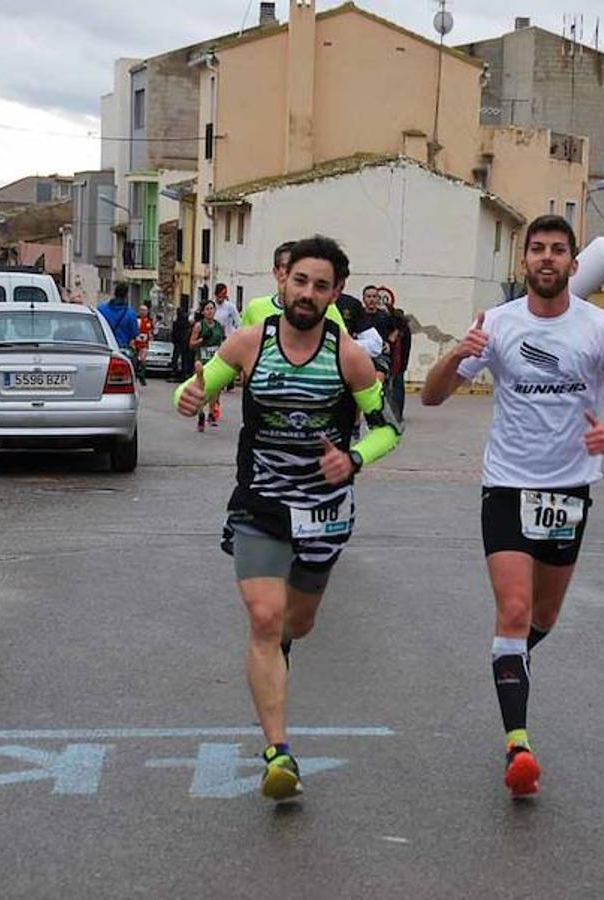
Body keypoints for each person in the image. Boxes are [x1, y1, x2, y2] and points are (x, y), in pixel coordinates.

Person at [421, 214, 604, 798]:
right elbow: (432, 395)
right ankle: (518, 746)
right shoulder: (496, 325)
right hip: (506, 485)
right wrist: (457, 354)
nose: (547, 259)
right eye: (537, 250)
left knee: (542, 619)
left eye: (558, 251)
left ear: (573, 264)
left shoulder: (599, 329)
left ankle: (508, 663)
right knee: (515, 609)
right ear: (523, 262)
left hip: (569, 491)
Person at [173, 235, 402, 801]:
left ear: (336, 293)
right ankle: (278, 752)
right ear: (282, 282)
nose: (307, 293)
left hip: (323, 511)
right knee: (264, 617)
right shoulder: (251, 340)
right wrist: (190, 394)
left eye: (321, 285)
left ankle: (280, 658)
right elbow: (201, 384)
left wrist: (351, 459)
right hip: (261, 503)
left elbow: (389, 430)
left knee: (296, 625)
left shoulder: (347, 355)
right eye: (299, 281)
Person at [241, 243, 347, 333]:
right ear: (276, 272)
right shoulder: (255, 308)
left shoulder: (326, 308)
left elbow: (344, 345)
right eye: (286, 266)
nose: (290, 271)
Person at [189, 300, 225, 431]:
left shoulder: (219, 326)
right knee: (201, 391)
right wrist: (202, 339)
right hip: (201, 362)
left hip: (214, 361)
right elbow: (191, 344)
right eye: (207, 309)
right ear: (203, 312)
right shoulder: (199, 326)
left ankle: (211, 414)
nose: (210, 311)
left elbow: (221, 344)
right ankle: (201, 415)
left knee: (215, 389)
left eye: (212, 309)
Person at [98, 283, 138, 353]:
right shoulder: (130, 313)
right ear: (126, 295)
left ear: (114, 293)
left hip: (104, 348)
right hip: (122, 350)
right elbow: (134, 334)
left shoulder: (101, 310)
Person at [133, 304, 153, 386]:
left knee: (143, 360)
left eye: (145, 311)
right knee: (136, 360)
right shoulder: (137, 320)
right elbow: (133, 331)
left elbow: (150, 332)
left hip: (144, 344)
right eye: (142, 310)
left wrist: (150, 336)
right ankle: (135, 374)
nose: (144, 312)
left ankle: (142, 375)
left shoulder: (149, 321)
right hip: (136, 343)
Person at [170, 305, 191, 381]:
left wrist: (174, 340)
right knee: (183, 359)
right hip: (183, 342)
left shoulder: (177, 322)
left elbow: (174, 332)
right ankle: (183, 373)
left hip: (179, 342)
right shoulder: (186, 321)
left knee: (176, 358)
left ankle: (175, 373)